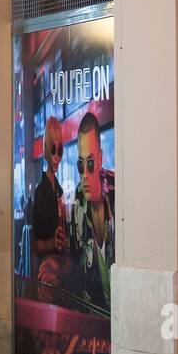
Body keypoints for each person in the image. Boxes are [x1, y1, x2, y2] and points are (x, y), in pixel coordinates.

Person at [68, 112, 115, 311]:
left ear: (101, 159)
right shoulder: (78, 200)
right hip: (94, 318)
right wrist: (59, 269)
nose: (85, 175)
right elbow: (74, 261)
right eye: (80, 164)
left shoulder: (119, 194)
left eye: (90, 163)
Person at [30, 117, 69, 298]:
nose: (56, 156)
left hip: (61, 272)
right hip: (46, 275)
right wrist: (52, 243)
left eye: (59, 150)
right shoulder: (41, 192)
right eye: (53, 150)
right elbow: (35, 245)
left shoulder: (59, 190)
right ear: (47, 149)